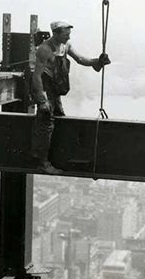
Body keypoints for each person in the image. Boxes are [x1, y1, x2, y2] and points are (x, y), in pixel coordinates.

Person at [30, 21, 111, 174]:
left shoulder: (65, 46)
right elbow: (37, 76)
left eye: (69, 34)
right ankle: (42, 162)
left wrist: (96, 61)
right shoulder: (45, 49)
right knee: (46, 123)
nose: (68, 37)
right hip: (45, 89)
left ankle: (55, 157)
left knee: (59, 118)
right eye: (66, 34)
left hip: (54, 89)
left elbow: (80, 59)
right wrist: (41, 100)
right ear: (57, 33)